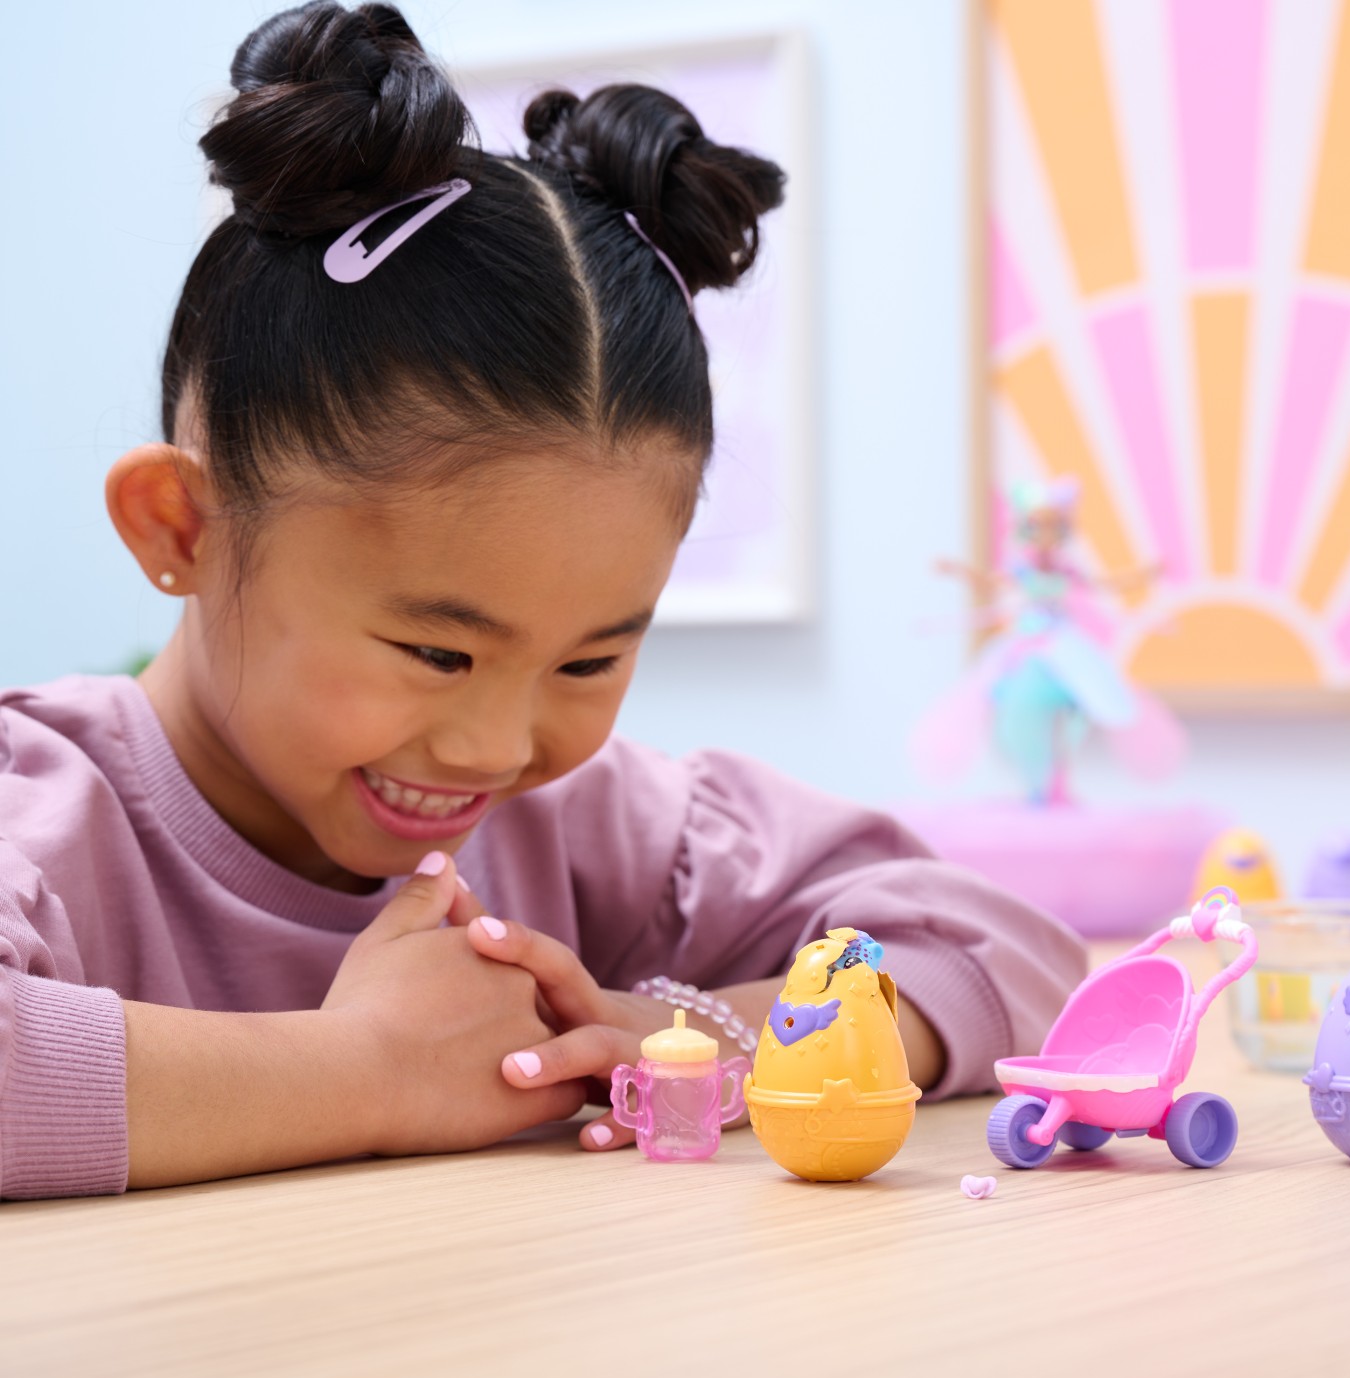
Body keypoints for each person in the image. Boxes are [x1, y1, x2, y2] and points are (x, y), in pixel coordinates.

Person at [0, 1, 1084, 1200]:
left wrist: (696, 1035)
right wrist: (365, 1068)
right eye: (436, 651)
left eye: (586, 662)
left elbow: (999, 947)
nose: (496, 748)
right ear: (183, 526)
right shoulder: (38, 815)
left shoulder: (586, 823)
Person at [921, 479, 1183, 804]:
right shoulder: (1020, 570)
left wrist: (1146, 573)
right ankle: (1037, 779)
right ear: (1024, 531)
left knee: (1086, 699)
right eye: (1036, 528)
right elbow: (988, 584)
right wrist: (956, 570)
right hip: (1027, 646)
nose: (1045, 537)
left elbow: (1108, 584)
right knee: (1006, 700)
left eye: (1053, 528)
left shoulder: (1066, 571)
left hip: (1061, 645)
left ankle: (1056, 777)